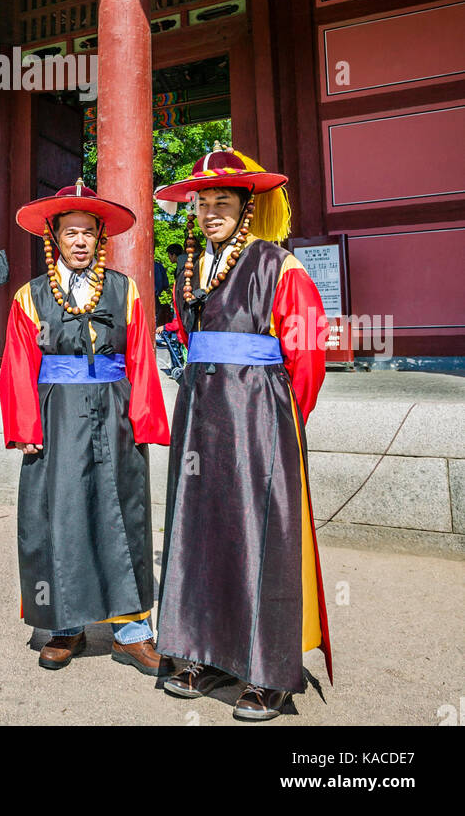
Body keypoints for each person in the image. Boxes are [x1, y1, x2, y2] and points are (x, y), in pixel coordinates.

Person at [154, 149, 332, 721]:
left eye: (221, 202)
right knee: (200, 529)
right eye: (201, 203)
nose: (209, 212)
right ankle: (200, 649)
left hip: (257, 414)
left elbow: (307, 352)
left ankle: (267, 670)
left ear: (245, 208)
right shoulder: (189, 267)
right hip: (200, 409)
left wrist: (282, 419)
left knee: (260, 534)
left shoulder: (279, 265)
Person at [0, 179, 171, 676]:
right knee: (60, 514)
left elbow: (139, 357)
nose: (79, 241)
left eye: (88, 233)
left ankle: (132, 631)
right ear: (54, 238)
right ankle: (64, 625)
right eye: (70, 232)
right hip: (56, 415)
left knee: (123, 513)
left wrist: (142, 419)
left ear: (101, 239)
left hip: (114, 411)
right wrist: (25, 426)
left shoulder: (125, 290)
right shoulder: (30, 297)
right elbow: (17, 365)